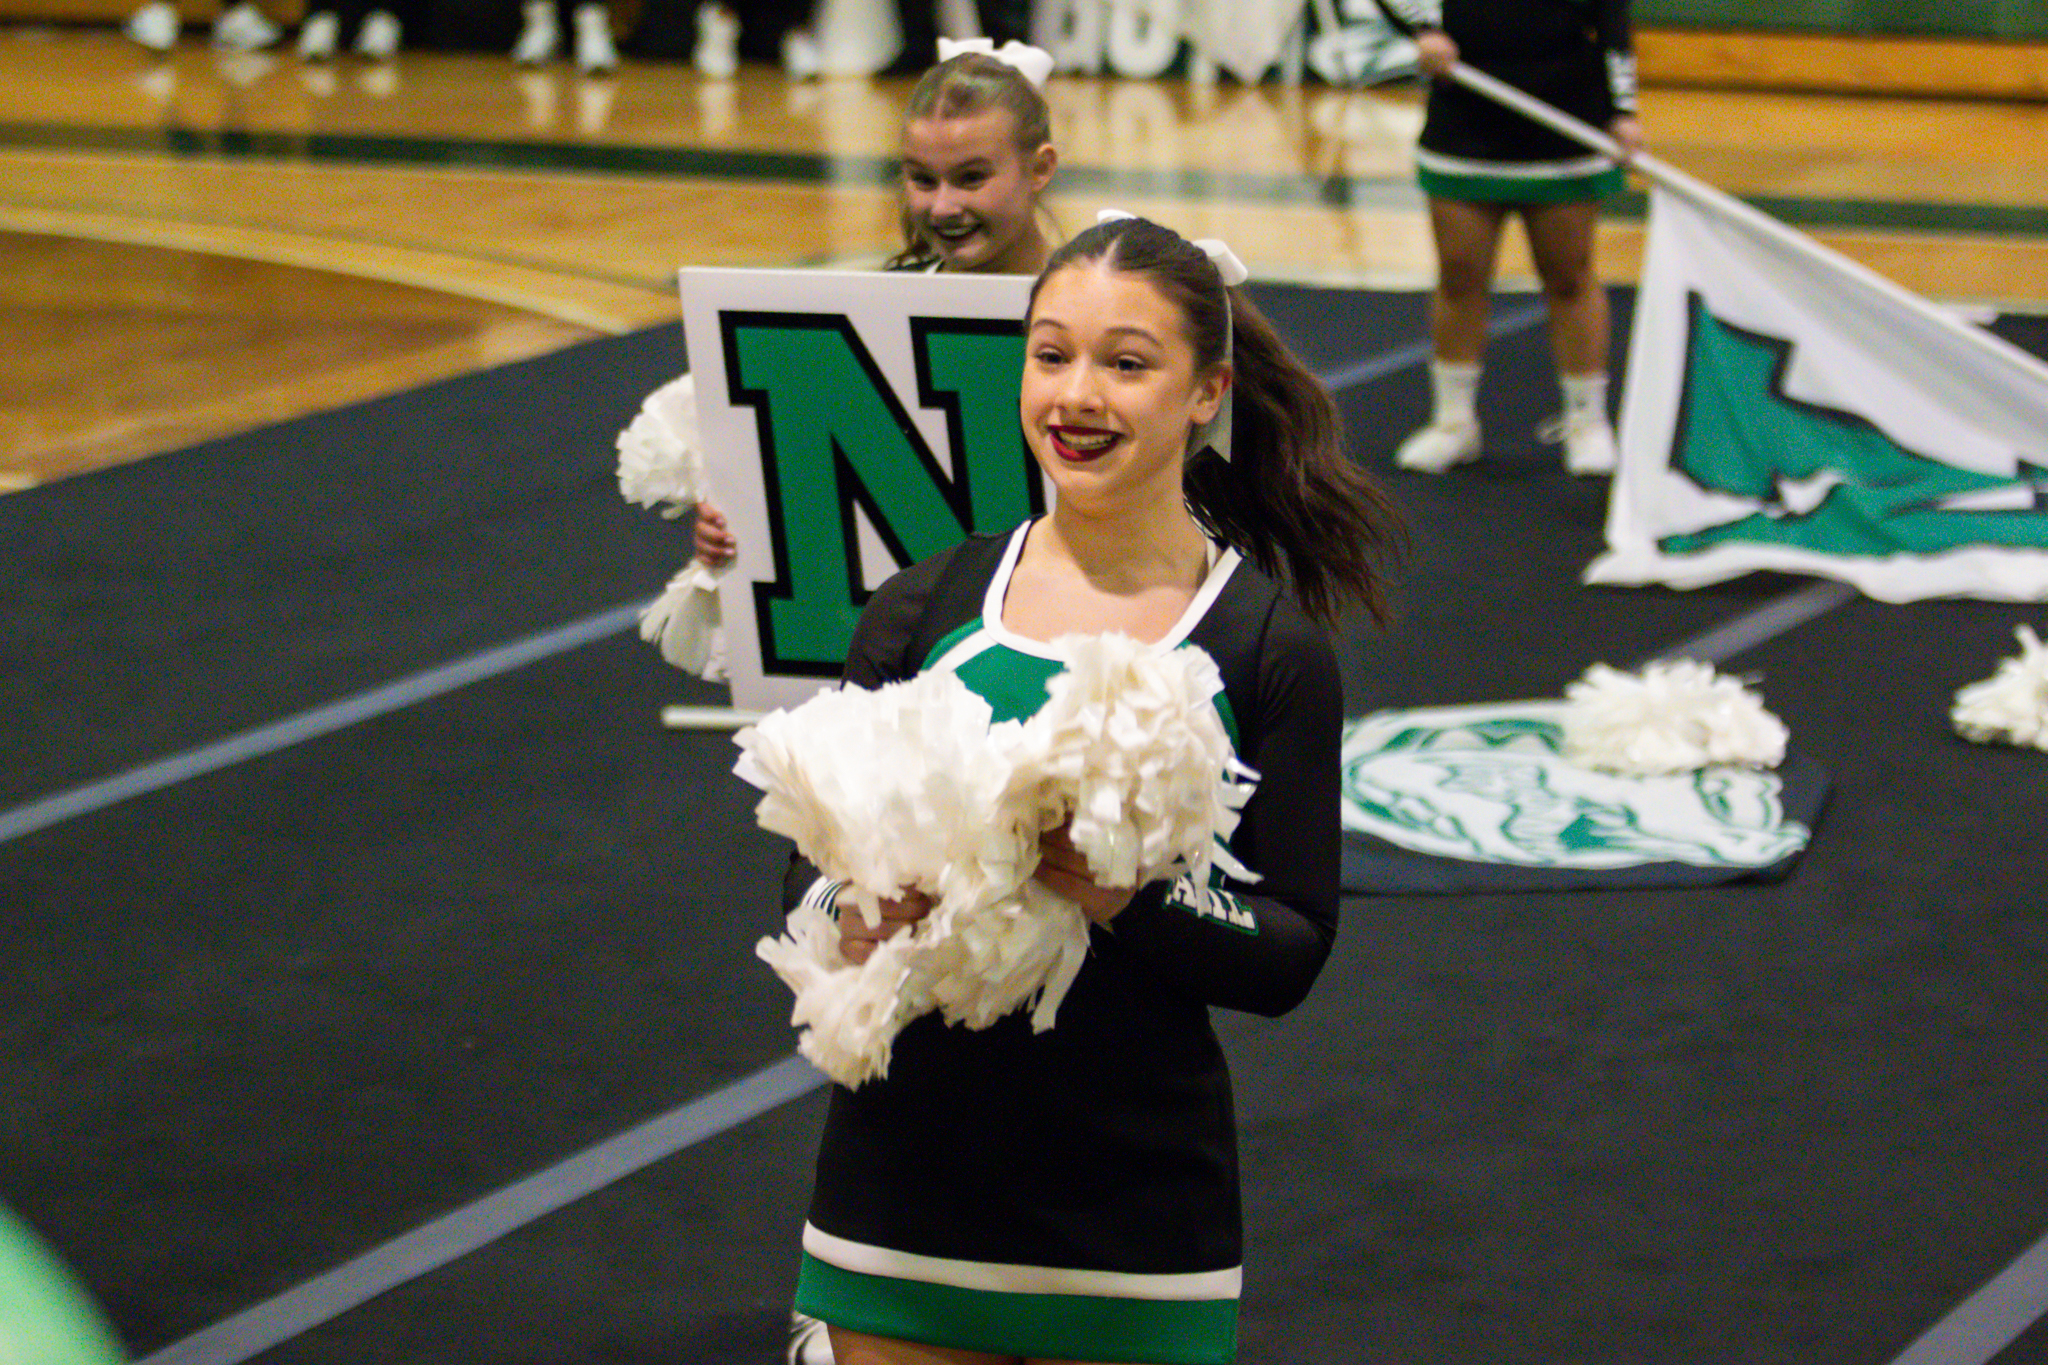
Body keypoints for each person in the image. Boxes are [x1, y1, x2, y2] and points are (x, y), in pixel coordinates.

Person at [781, 213, 1405, 1365]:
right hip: (904, 1177)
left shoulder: (1262, 650)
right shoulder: (924, 609)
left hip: (1133, 1197)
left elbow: (1291, 949)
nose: (1077, 395)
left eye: (1127, 363)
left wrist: (1123, 895)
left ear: (1205, 391)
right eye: (1051, 354)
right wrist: (866, 912)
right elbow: (800, 889)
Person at [633, 40, 1061, 609]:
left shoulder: (1105, 305)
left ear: (1041, 169)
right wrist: (743, 526)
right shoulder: (878, 316)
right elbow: (818, 495)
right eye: (922, 179)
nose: (942, 207)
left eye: (971, 177)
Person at [1372, 0, 1642, 476]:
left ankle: (1588, 421)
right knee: (1459, 276)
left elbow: (1614, 19)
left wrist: (1623, 108)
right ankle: (1454, 423)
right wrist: (1422, 28)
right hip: (1465, 122)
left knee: (1570, 277)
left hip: (1564, 126)